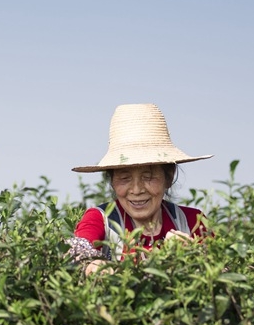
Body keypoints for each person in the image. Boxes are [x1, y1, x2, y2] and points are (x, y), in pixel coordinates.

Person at [67, 103, 213, 275]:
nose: (136, 190)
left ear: (169, 177)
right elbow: (76, 257)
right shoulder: (99, 219)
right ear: (112, 180)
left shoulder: (192, 222)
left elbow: (221, 271)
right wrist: (92, 266)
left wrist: (194, 255)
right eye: (124, 178)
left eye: (148, 176)